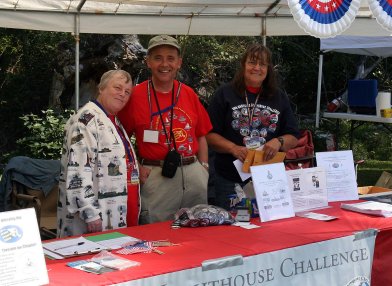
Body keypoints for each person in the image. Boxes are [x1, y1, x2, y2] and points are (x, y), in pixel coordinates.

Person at [118, 35, 212, 224]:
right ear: (148, 62)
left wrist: (203, 169)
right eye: (158, 57)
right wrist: (135, 167)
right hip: (156, 175)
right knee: (155, 231)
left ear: (179, 63)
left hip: (193, 173)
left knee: (198, 231)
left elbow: (201, 134)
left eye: (170, 58)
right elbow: (121, 139)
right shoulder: (135, 96)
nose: (164, 64)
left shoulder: (188, 93)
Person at [206, 43, 300, 210]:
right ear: (243, 65)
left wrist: (278, 141)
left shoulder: (279, 97)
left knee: (266, 230)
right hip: (229, 178)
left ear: (268, 69)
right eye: (252, 62)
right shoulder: (225, 94)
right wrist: (233, 148)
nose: (257, 68)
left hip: (268, 178)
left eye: (262, 64)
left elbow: (293, 136)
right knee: (229, 230)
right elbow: (209, 134)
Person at [57, 70, 140, 238]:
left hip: (117, 211)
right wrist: (89, 213)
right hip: (94, 218)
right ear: (101, 88)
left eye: (127, 91)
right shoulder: (86, 120)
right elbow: (77, 171)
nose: (122, 94)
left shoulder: (111, 119)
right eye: (117, 87)